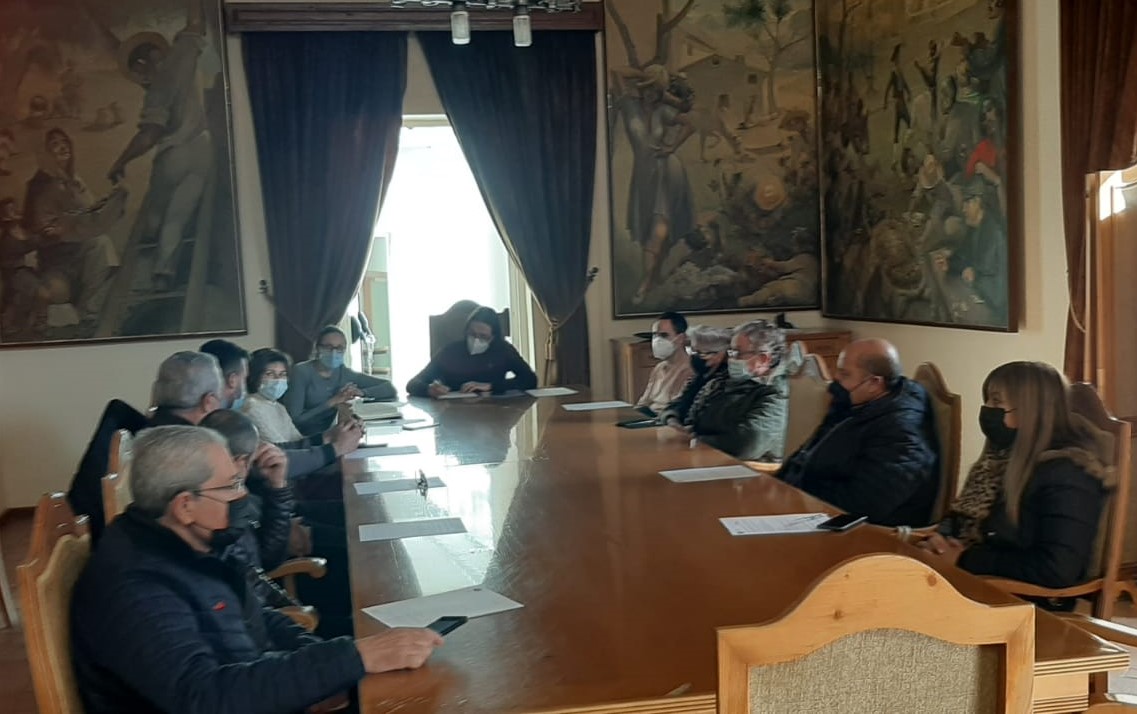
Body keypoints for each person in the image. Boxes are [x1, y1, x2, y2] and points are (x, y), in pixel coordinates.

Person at [71, 425, 443, 713]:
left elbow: (256, 615)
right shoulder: (136, 587)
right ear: (185, 505)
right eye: (232, 485)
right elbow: (205, 698)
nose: (243, 494)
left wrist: (327, 665)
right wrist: (354, 659)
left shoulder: (191, 542)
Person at [916, 362, 1113, 596]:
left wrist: (964, 559)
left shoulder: (1068, 474)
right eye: (987, 400)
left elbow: (1057, 569)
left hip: (1014, 598)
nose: (987, 410)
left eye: (996, 402)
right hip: (968, 582)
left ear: (1031, 412)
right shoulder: (999, 459)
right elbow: (960, 520)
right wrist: (939, 542)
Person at [777, 338, 939, 526]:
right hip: (807, 508)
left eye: (844, 374)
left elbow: (861, 505)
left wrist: (798, 496)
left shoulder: (902, 433)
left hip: (860, 532)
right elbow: (807, 454)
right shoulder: (855, 403)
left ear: (874, 383)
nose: (835, 378)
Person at [198, 410, 298, 609]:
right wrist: (299, 615)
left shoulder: (211, 490)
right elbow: (267, 562)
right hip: (256, 612)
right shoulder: (221, 507)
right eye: (252, 461)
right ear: (242, 462)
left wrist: (276, 487)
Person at [284, 326, 397, 434]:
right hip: (306, 434)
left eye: (339, 348)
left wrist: (361, 392)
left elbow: (388, 388)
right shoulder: (301, 372)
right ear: (317, 348)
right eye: (328, 347)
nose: (334, 352)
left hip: (338, 430)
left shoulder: (344, 373)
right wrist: (333, 402)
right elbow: (295, 419)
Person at [406, 306, 538, 398]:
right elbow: (413, 384)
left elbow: (530, 379)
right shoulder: (450, 352)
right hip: (454, 415)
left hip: (494, 414)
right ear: (466, 331)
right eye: (472, 334)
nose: (476, 340)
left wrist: (491, 386)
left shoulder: (503, 350)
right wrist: (429, 389)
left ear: (493, 337)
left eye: (483, 336)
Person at [657, 325, 731, 431]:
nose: (694, 357)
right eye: (692, 351)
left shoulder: (727, 381)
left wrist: (690, 429)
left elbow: (709, 420)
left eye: (701, 353)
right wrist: (671, 418)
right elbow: (680, 403)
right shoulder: (701, 377)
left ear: (721, 353)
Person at [635, 311, 692, 415]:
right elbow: (643, 403)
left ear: (680, 338)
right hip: (648, 418)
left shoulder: (690, 370)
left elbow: (678, 409)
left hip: (666, 420)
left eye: (664, 335)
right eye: (655, 335)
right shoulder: (659, 368)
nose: (657, 340)